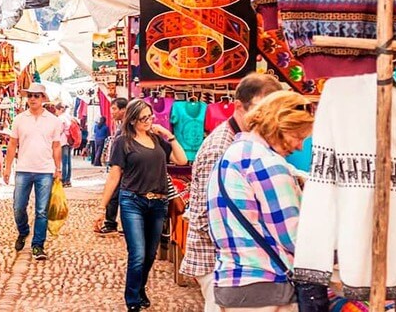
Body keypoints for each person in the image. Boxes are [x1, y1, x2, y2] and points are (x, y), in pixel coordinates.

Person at [179, 74, 283, 312]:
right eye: (261, 108)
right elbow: (206, 216)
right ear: (239, 106)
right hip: (218, 262)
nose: (268, 116)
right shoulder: (220, 147)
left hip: (233, 261)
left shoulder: (247, 141)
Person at [207, 91, 314, 312]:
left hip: (230, 282)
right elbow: (293, 237)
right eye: (298, 136)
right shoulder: (268, 163)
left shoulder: (232, 155)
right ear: (279, 126)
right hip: (266, 286)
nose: (300, 146)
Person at [99, 99, 188, 312]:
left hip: (158, 203)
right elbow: (114, 176)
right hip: (133, 201)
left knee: (149, 254)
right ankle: (132, 300)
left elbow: (182, 160)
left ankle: (139, 288)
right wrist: (102, 207)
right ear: (132, 120)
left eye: (150, 117)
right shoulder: (123, 142)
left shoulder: (157, 140)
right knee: (137, 253)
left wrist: (169, 135)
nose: (148, 121)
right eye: (143, 118)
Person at [2, 83, 63, 261]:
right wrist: (7, 167)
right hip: (23, 169)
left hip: (45, 170)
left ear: (43, 98)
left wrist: (57, 169)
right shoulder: (19, 119)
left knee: (42, 210)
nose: (33, 99)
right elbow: (12, 144)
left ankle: (38, 245)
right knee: (18, 207)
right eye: (30, 95)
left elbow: (56, 146)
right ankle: (23, 231)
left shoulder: (53, 121)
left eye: (37, 95)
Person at [97, 97, 129, 234]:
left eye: (115, 109)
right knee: (115, 194)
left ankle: (112, 223)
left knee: (117, 195)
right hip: (118, 165)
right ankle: (112, 222)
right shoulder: (121, 125)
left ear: (124, 110)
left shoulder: (127, 127)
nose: (112, 112)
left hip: (123, 167)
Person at [55, 103, 74, 187]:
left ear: (59, 109)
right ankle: (68, 180)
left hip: (63, 141)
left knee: (64, 161)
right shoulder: (69, 117)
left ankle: (64, 180)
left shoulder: (61, 118)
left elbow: (59, 131)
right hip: (69, 141)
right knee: (68, 161)